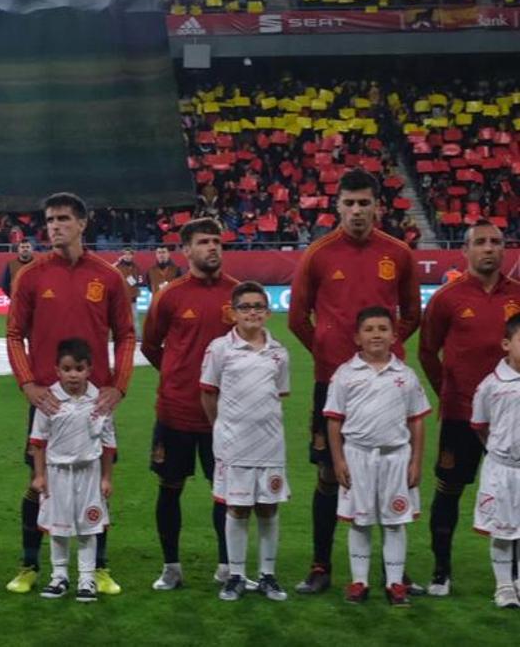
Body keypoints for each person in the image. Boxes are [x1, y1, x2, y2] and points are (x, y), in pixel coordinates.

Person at [288, 169, 421, 595]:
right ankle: (321, 566)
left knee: (390, 472)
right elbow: (297, 318)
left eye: (365, 203)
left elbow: (412, 315)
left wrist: (382, 358)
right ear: (337, 205)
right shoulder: (318, 253)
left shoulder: (398, 254)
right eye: (350, 203)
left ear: (377, 206)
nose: (357, 211)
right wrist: (329, 355)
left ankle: (394, 573)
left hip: (386, 387)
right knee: (331, 475)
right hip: (334, 383)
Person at [5, 192, 135, 595]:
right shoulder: (31, 275)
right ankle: (30, 564)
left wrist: (118, 385)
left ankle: (97, 569)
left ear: (82, 223)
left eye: (63, 218)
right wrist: (28, 383)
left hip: (94, 401)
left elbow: (127, 335)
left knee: (95, 481)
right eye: (50, 219)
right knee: (38, 481)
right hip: (48, 401)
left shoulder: (109, 277)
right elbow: (13, 334)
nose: (54, 226)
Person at [417, 219, 520, 594]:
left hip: (513, 419)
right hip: (461, 416)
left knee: (516, 494)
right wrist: (447, 390)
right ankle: (441, 570)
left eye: (496, 241)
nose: (489, 248)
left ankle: (515, 575)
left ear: (504, 249)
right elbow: (427, 350)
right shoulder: (448, 297)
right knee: (449, 491)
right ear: (466, 250)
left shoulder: (519, 295)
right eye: (481, 242)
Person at [140, 218, 235, 590]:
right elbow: (150, 344)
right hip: (176, 411)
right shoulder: (170, 294)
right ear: (186, 250)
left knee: (226, 491)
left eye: (217, 241)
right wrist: (177, 376)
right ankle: (171, 566)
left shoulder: (237, 294)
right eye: (204, 242)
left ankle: (228, 565)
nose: (213, 247)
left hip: (225, 415)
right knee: (169, 488)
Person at [325, 306, 431, 606]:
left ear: (394, 336)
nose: (376, 334)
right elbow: (334, 420)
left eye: (383, 329)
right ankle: (360, 581)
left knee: (394, 520)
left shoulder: (406, 376)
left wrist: (416, 461)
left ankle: (395, 583)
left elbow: (417, 420)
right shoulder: (345, 375)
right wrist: (338, 461)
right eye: (369, 329)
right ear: (357, 337)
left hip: (396, 457)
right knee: (360, 521)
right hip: (357, 455)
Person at [200, 281, 292, 602]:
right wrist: (221, 428)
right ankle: (236, 575)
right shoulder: (219, 349)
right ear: (233, 313)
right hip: (234, 445)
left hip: (270, 445)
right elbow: (208, 393)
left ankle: (268, 575)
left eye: (257, 307)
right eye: (245, 307)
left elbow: (278, 394)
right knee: (237, 508)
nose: (252, 312)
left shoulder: (279, 352)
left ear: (267, 312)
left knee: (268, 508)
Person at [29, 338, 117, 603]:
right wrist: (40, 475)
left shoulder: (99, 401)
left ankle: (87, 579)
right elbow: (38, 442)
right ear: (57, 370)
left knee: (88, 528)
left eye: (79, 369)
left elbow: (108, 443)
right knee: (59, 528)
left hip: (88, 473)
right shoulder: (49, 400)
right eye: (67, 369)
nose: (73, 375)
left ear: (89, 370)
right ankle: (59, 577)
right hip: (57, 474)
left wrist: (106, 478)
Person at [470, 314, 520, 609]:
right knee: (502, 529)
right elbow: (481, 425)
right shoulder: (491, 385)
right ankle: (503, 585)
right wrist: (500, 452)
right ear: (506, 344)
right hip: (502, 468)